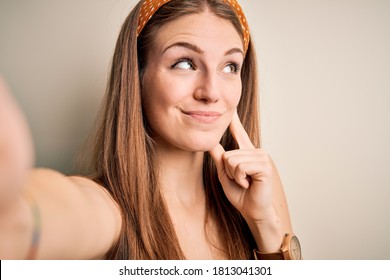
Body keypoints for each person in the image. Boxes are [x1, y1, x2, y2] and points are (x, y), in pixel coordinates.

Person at [0, 0, 299, 260]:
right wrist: (18, 216)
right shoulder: (108, 208)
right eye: (184, 63)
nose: (211, 91)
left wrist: (263, 223)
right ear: (137, 76)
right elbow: (43, 215)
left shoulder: (258, 181)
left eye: (230, 67)